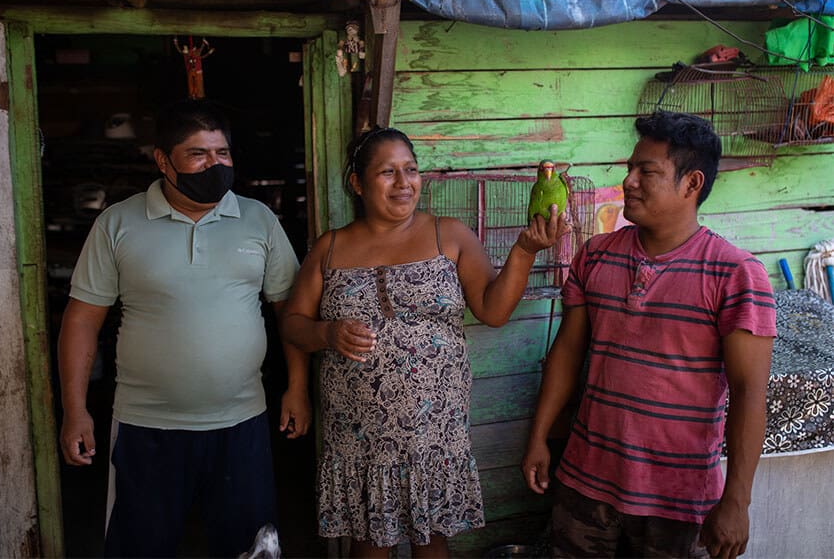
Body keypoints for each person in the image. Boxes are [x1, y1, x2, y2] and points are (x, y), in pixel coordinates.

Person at [280, 126, 570, 558]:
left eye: (411, 170)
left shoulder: (448, 235)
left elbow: (493, 311)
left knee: (431, 536)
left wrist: (525, 250)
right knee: (368, 537)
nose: (404, 183)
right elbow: (292, 323)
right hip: (359, 432)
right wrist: (325, 334)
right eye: (387, 172)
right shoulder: (331, 247)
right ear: (358, 183)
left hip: (431, 431)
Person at [58, 98, 311, 557]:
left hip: (242, 424)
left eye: (223, 153)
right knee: (141, 549)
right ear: (163, 160)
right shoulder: (117, 222)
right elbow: (81, 319)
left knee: (250, 550)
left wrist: (297, 386)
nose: (214, 164)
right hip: (145, 427)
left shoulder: (259, 220)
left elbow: (289, 313)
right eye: (198, 154)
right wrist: (76, 410)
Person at [521, 111, 776, 559]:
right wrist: (539, 436)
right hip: (586, 482)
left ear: (691, 184)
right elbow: (566, 352)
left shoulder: (736, 274)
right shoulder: (596, 255)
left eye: (647, 171)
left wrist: (736, 499)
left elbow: (749, 392)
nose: (629, 181)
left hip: (677, 501)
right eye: (630, 168)